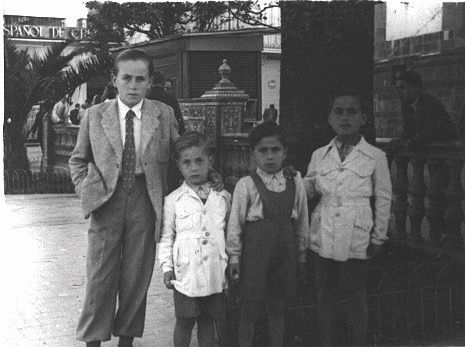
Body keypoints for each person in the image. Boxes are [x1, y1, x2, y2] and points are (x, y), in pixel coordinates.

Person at [69, 49, 180, 347]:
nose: (133, 85)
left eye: (140, 79)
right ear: (114, 80)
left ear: (150, 81)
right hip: (107, 201)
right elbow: (78, 160)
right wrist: (87, 190)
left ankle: (127, 339)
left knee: (136, 275)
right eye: (127, 78)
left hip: (146, 198)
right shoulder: (94, 116)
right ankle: (93, 338)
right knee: (100, 275)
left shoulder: (163, 114)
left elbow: (180, 155)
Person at [304, 92, 392, 346]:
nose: (345, 117)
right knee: (325, 293)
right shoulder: (320, 154)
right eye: (339, 111)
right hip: (326, 227)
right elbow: (310, 187)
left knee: (355, 293)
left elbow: (384, 199)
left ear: (363, 117)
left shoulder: (376, 156)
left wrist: (379, 236)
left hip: (357, 230)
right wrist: (293, 179)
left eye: (352, 111)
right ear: (330, 118)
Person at [226, 122, 309, 347]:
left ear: (285, 152)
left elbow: (302, 220)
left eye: (276, 150)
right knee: (250, 307)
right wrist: (234, 256)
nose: (270, 156)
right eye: (263, 150)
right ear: (253, 153)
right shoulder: (246, 184)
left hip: (284, 252)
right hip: (255, 254)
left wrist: (301, 255)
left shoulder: (295, 180)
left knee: (277, 306)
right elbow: (235, 224)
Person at [158, 132, 231, 347]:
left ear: (210, 161)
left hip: (214, 271)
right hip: (186, 271)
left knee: (207, 320)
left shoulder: (222, 197)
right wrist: (166, 267)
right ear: (179, 167)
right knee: (184, 321)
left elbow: (228, 232)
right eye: (187, 163)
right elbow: (166, 236)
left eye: (199, 161)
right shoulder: (173, 200)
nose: (194, 168)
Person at [389, 70, 456, 151]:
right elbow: (408, 130)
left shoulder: (431, 103)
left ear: (416, 88)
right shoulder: (405, 105)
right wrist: (399, 141)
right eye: (397, 88)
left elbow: (431, 132)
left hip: (446, 150)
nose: (398, 92)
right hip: (427, 148)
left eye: (402, 88)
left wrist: (410, 142)